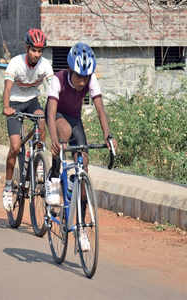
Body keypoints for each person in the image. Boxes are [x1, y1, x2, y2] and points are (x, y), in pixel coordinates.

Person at [45, 42, 117, 251]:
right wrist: (54, 140)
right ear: (70, 70)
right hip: (58, 116)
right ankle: (54, 180)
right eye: (79, 76)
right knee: (64, 133)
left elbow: (100, 109)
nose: (82, 81)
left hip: (76, 119)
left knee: (84, 163)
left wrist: (108, 135)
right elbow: (50, 113)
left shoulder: (90, 80)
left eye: (86, 76)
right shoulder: (57, 80)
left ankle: (82, 227)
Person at [2, 28, 54, 212]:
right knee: (15, 147)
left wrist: (56, 107)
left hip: (32, 100)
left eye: (40, 51)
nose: (36, 54)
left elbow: (52, 87)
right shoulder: (15, 63)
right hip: (15, 102)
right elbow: (7, 88)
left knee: (41, 119)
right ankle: (8, 187)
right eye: (33, 50)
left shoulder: (45, 65)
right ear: (27, 48)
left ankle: (39, 158)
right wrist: (6, 107)